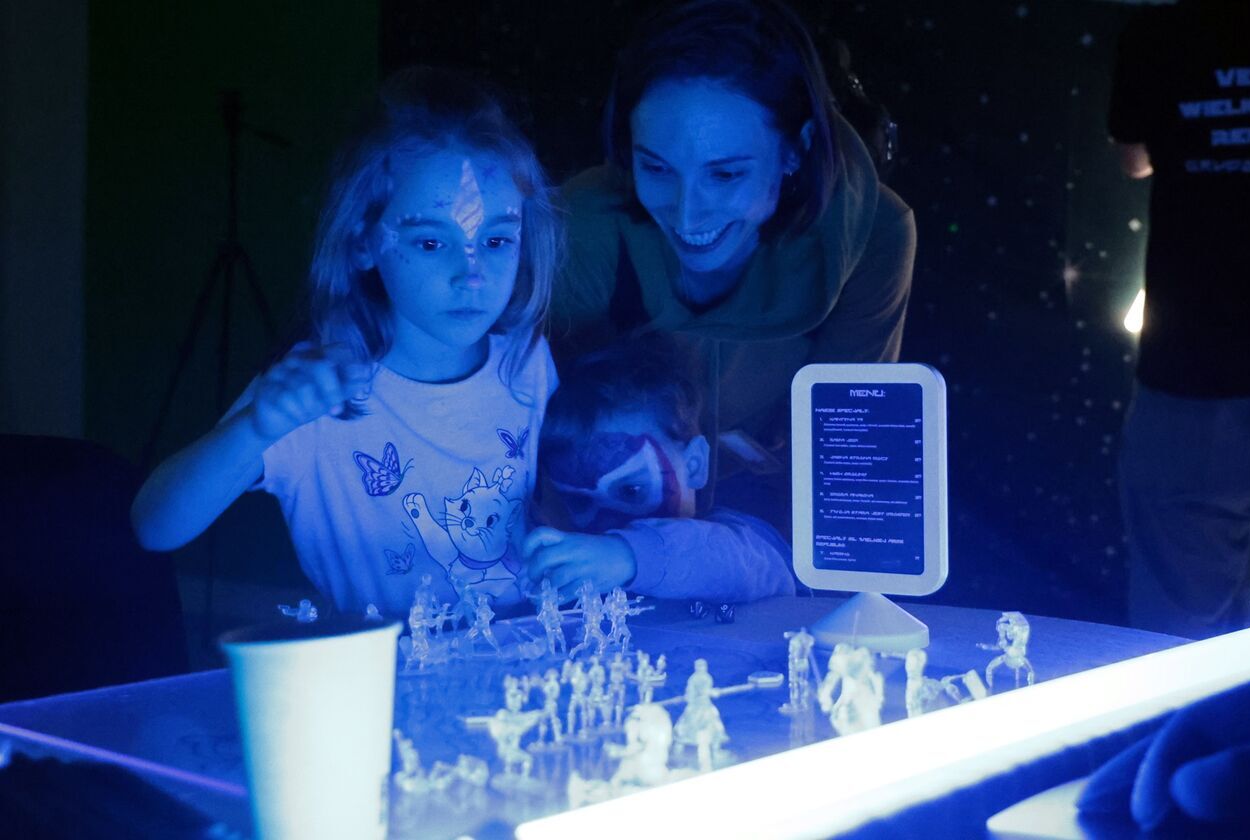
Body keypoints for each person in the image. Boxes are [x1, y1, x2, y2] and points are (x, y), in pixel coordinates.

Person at [131, 67, 560, 618]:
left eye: (497, 240)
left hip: (521, 659)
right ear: (362, 243)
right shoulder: (316, 391)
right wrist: (256, 427)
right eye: (431, 243)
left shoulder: (527, 363)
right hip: (379, 670)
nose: (471, 275)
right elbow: (156, 527)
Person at [549, 0, 915, 532]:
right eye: (657, 168)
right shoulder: (586, 223)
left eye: (724, 175)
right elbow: (524, 427)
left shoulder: (872, 236)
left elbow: (846, 459)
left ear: (796, 150)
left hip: (766, 513)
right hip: (606, 515)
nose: (686, 215)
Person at [1108, 0, 1250, 638]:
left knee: (1179, 639)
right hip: (1194, 378)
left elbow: (1134, 158)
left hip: (1195, 376)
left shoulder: (1159, 31)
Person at [524, 336, 795, 602]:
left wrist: (627, 554)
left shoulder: (742, 543)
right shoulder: (581, 571)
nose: (608, 518)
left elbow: (741, 565)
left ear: (694, 466)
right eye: (580, 501)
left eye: (631, 490)